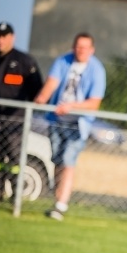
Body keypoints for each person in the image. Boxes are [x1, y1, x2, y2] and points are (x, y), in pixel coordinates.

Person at [34, 33, 107, 221]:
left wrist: (71, 106)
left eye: (85, 47)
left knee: (68, 161)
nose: (80, 50)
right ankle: (57, 198)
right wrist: (40, 99)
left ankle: (61, 204)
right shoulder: (63, 61)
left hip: (78, 123)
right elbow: (51, 84)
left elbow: (94, 103)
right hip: (56, 120)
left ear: (92, 50)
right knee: (57, 160)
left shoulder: (97, 70)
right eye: (78, 46)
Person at [0, 22, 43, 199]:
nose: (0, 40)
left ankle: (16, 194)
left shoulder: (24, 61)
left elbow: (36, 90)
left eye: (4, 36)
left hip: (16, 120)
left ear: (12, 37)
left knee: (15, 158)